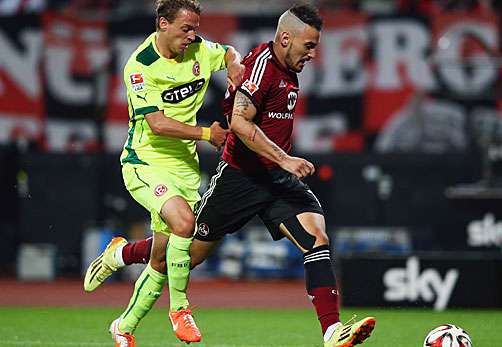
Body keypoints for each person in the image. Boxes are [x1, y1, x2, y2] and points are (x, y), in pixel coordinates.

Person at [85, 4, 376, 347]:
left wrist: (232, 61)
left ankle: (332, 332)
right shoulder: (261, 67)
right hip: (239, 179)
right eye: (308, 45)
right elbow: (238, 121)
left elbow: (225, 52)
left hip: (276, 180)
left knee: (317, 239)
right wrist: (280, 157)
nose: (313, 53)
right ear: (286, 38)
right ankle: (123, 257)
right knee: (178, 254)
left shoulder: (280, 67)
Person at [82, 0, 244, 346]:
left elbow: (229, 51)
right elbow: (156, 124)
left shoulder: (200, 49)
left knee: (161, 259)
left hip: (184, 169)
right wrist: (207, 134)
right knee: (185, 224)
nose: (192, 36)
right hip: (145, 163)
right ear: (163, 24)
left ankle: (123, 324)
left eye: (196, 28)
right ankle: (180, 309)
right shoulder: (141, 66)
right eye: (186, 28)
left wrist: (234, 66)